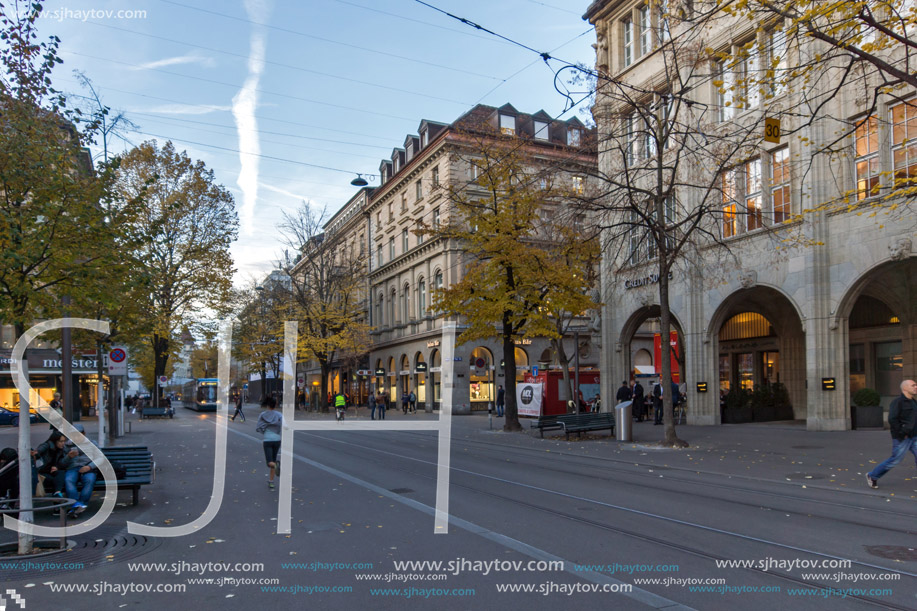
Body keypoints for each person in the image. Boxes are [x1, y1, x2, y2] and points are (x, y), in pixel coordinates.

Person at [866, 379, 917, 489]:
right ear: (905, 388)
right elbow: (892, 419)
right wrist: (902, 433)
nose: (916, 387)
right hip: (903, 437)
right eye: (913, 385)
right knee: (895, 459)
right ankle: (872, 475)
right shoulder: (898, 402)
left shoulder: (913, 401)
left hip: (915, 436)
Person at [58, 435, 98, 517]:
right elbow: (61, 463)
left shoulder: (92, 443)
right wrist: (68, 457)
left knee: (89, 480)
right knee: (68, 480)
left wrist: (90, 466)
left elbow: (101, 458)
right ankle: (76, 504)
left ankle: (80, 505)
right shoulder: (67, 445)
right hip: (72, 468)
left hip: (87, 467)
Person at [255, 396, 282, 490]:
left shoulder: (263, 415)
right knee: (273, 460)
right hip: (277, 440)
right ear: (275, 405)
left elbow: (258, 427)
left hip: (267, 440)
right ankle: (271, 481)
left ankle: (276, 466)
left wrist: (264, 430)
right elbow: (285, 425)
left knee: (269, 462)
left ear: (267, 405)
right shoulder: (279, 415)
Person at [33, 431, 67, 496]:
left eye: (64, 441)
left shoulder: (61, 449)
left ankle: (57, 493)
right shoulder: (46, 445)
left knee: (61, 472)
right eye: (61, 441)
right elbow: (37, 452)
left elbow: (62, 463)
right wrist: (35, 454)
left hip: (51, 471)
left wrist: (56, 467)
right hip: (42, 472)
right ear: (55, 441)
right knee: (55, 481)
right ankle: (57, 494)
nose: (63, 443)